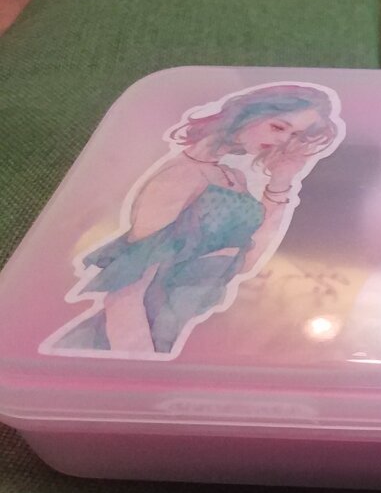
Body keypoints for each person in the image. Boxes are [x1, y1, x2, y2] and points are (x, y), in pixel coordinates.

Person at [45, 82, 345, 358]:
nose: (282, 141)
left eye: (293, 136)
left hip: (170, 338)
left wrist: (280, 182)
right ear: (249, 114)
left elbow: (246, 261)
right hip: (122, 342)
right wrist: (142, 364)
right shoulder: (180, 177)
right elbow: (126, 288)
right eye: (279, 127)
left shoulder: (232, 178)